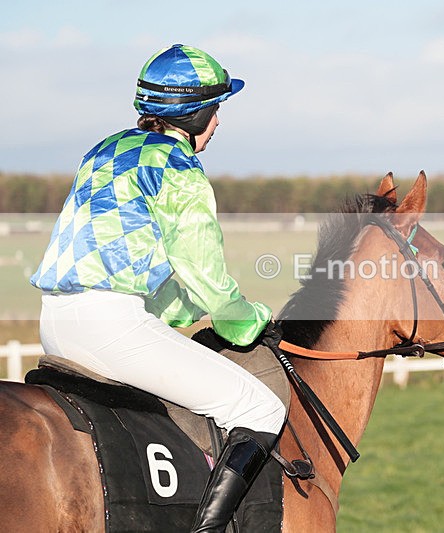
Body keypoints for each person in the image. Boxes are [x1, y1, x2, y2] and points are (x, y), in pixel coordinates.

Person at [30, 44, 287, 532]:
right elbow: (205, 277)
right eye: (216, 111)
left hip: (56, 322)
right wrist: (246, 319)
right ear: (196, 115)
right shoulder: (177, 166)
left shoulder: (105, 149)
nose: (218, 123)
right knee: (259, 406)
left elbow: (136, 264)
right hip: (111, 326)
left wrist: (177, 315)